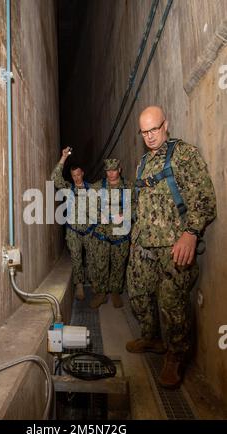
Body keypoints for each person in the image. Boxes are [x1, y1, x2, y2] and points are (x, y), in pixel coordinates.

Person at [126, 106, 216, 388]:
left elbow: (205, 199)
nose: (150, 136)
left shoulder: (183, 154)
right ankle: (152, 337)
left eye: (154, 129)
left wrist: (191, 233)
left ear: (166, 124)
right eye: (144, 132)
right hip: (143, 244)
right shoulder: (143, 162)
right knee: (138, 292)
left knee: (171, 302)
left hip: (174, 245)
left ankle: (175, 357)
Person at [51, 147, 94, 300]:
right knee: (76, 258)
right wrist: (63, 157)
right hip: (73, 231)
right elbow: (55, 178)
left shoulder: (92, 189)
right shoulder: (68, 189)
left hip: (89, 230)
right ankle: (79, 286)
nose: (76, 178)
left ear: (82, 173)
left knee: (92, 258)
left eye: (78, 174)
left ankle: (94, 283)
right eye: (73, 175)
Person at [89, 159, 132, 309]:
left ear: (119, 169)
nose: (111, 174)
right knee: (101, 263)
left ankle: (115, 291)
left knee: (118, 263)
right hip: (102, 232)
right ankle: (101, 293)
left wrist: (125, 214)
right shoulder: (96, 187)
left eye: (114, 170)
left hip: (121, 234)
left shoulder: (128, 186)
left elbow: (138, 206)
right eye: (108, 171)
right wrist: (102, 217)